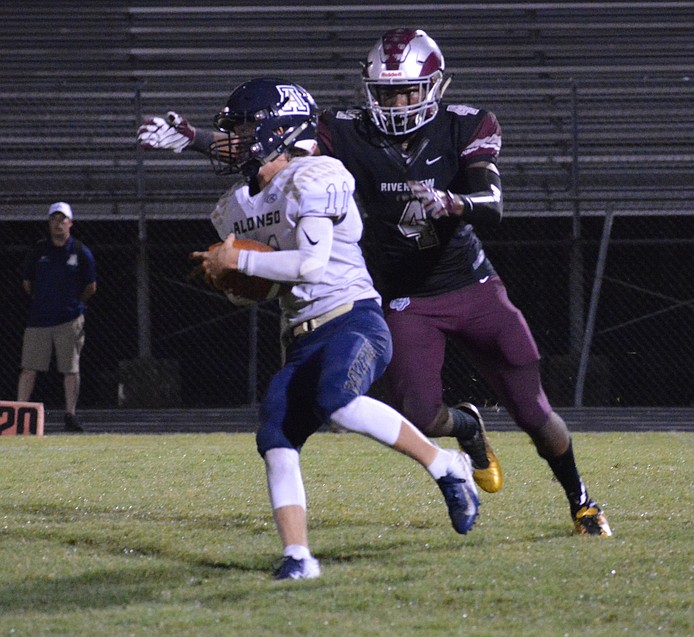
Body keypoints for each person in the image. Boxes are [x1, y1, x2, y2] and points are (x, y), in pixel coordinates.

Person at [136, 28, 611, 536]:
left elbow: (493, 201)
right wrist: (194, 139)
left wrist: (455, 203)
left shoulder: (467, 124)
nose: (398, 103)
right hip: (405, 297)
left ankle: (581, 500)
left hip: (472, 282)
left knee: (532, 409)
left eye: (407, 90)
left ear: (434, 86)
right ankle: (468, 426)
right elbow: (267, 143)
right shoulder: (347, 130)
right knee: (423, 415)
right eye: (386, 92)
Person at [189, 78, 480, 580]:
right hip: (300, 335)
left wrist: (239, 259)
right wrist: (231, 282)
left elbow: (310, 265)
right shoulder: (237, 205)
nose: (233, 140)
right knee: (275, 434)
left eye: (243, 128)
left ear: (278, 130)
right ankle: (298, 557)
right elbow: (264, 286)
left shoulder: (316, 174)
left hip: (353, 319)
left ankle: (447, 465)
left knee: (336, 399)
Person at [17, 202, 97, 433]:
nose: (58, 223)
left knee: (70, 368)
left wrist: (75, 306)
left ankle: (70, 414)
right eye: (54, 219)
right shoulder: (39, 251)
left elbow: (91, 286)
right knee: (29, 368)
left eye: (62, 219)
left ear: (70, 223)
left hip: (69, 319)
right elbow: (27, 283)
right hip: (39, 319)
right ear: (49, 223)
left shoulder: (81, 251)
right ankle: (21, 412)